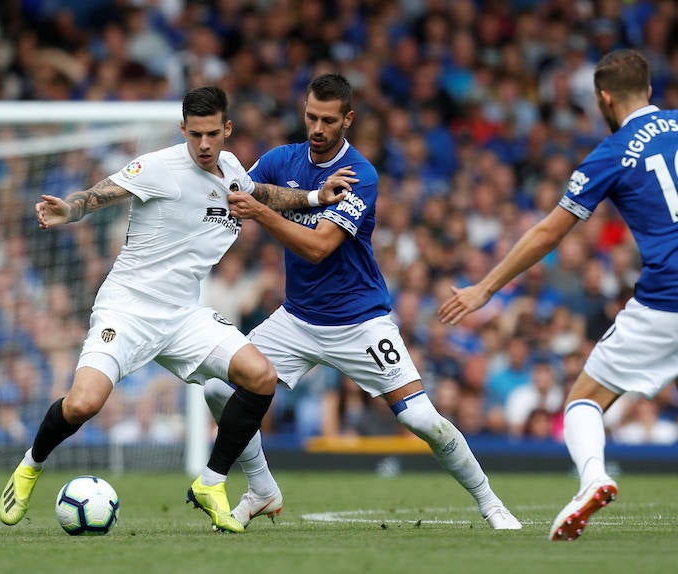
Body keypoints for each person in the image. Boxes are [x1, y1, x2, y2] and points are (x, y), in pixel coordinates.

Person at [438, 49, 678, 541]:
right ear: (649, 90)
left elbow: (548, 233)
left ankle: (593, 477)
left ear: (604, 97)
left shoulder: (614, 151)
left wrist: (485, 288)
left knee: (582, 400)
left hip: (676, 299)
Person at [0, 86, 352, 533]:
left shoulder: (231, 171)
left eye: (211, 134)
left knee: (261, 376)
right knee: (83, 404)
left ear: (226, 130)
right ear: (182, 129)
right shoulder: (158, 167)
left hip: (184, 315)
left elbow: (260, 194)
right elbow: (102, 193)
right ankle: (31, 465)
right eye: (194, 134)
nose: (203, 145)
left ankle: (211, 482)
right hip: (127, 310)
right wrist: (71, 209)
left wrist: (318, 198)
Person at [203, 73, 521, 530]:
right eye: (311, 116)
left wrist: (261, 212)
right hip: (296, 319)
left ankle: (491, 502)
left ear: (347, 120)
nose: (316, 127)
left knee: (423, 420)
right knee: (218, 389)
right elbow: (236, 195)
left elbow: (317, 246)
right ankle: (261, 488)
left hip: (360, 322)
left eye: (328, 120)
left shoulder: (361, 175)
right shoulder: (279, 160)